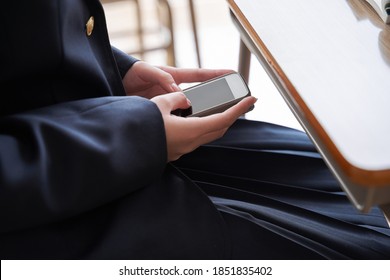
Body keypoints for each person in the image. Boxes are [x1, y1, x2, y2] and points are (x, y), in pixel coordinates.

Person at [1, 0, 389, 260]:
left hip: (103, 125)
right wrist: (138, 134)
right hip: (50, 206)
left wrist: (114, 71)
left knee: (336, 178)